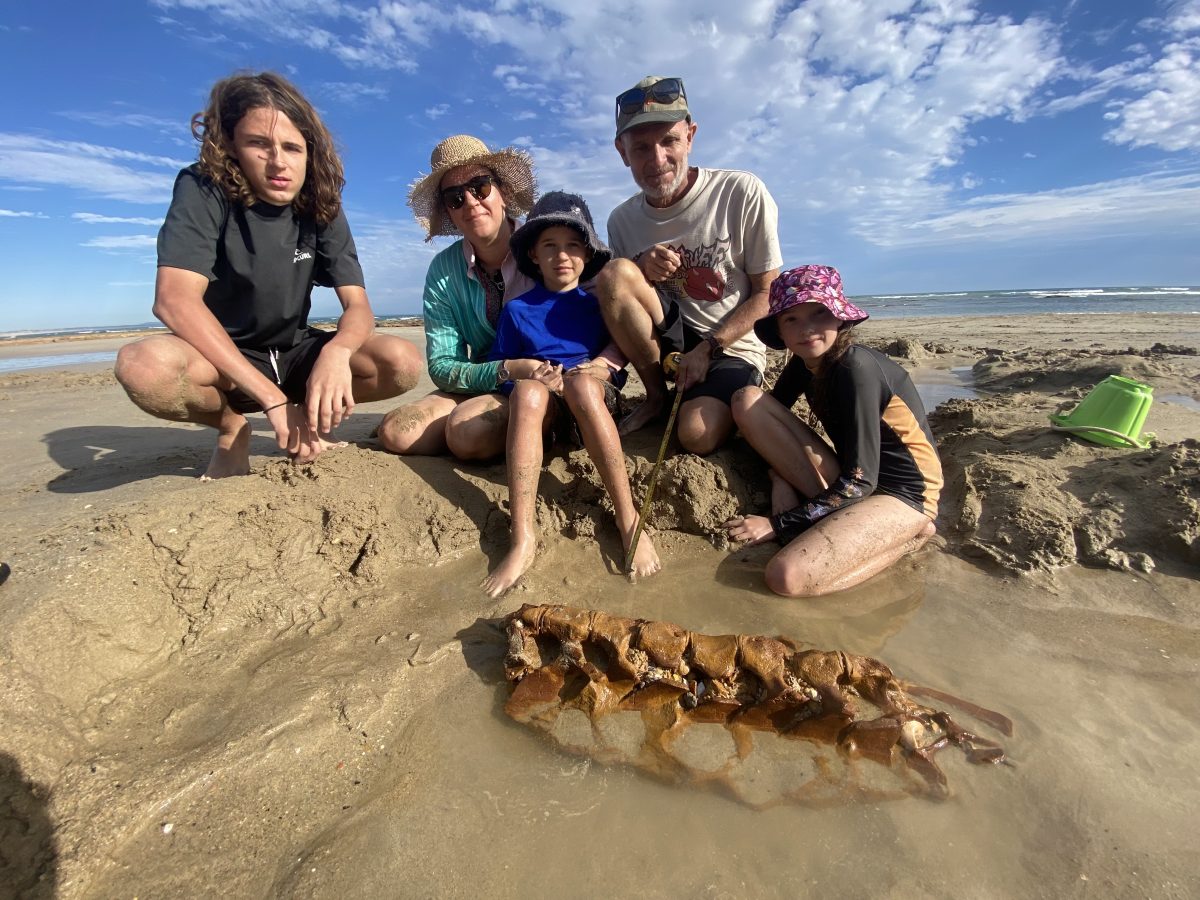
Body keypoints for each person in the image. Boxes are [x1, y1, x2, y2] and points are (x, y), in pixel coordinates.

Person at [114, 72, 422, 479]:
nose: (279, 162)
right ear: (231, 146)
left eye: (292, 147)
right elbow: (174, 300)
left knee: (401, 362)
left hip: (295, 349)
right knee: (144, 367)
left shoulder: (320, 201)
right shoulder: (203, 188)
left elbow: (358, 306)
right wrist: (272, 401)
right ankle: (231, 427)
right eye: (259, 144)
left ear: (310, 153)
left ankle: (310, 413)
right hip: (225, 355)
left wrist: (337, 352)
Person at [722, 265, 942, 597]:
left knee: (785, 577)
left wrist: (778, 524)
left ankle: (910, 537)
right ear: (779, 331)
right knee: (747, 400)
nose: (807, 329)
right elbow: (771, 416)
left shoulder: (856, 368)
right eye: (791, 319)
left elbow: (860, 482)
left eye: (819, 313)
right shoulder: (804, 363)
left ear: (839, 317)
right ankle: (845, 522)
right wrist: (779, 478)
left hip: (904, 495)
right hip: (856, 478)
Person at [482, 192, 662, 598]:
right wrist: (534, 377)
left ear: (588, 253)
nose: (561, 256)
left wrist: (600, 367)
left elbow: (621, 352)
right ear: (533, 254)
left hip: (592, 402)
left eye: (573, 245)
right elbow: (501, 369)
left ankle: (629, 519)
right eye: (549, 245)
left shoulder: (599, 303)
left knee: (581, 384)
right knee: (527, 391)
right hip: (545, 417)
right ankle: (522, 538)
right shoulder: (517, 310)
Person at [596, 75, 782, 455]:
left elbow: (768, 294)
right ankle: (656, 397)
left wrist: (709, 349)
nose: (657, 160)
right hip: (670, 345)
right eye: (641, 147)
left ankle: (716, 398)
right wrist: (639, 267)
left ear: (690, 137)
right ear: (622, 152)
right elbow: (620, 301)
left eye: (669, 141)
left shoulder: (741, 192)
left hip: (730, 346)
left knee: (695, 434)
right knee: (615, 273)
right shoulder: (621, 220)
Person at [376, 135, 540, 459]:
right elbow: (441, 365)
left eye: (480, 187)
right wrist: (505, 370)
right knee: (397, 431)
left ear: (504, 193)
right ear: (448, 212)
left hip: (543, 383)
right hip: (485, 382)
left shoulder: (546, 246)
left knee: (468, 433)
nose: (470, 202)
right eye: (455, 197)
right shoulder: (443, 270)